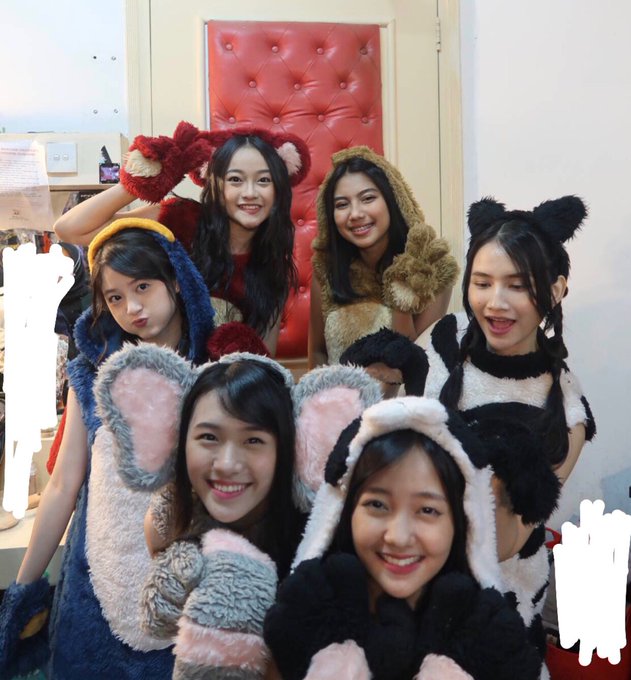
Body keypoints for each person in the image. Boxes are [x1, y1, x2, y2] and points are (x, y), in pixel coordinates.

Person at [0, 217, 216, 679]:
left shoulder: (214, 373)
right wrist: (21, 593)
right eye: (115, 298)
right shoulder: (93, 372)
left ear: (176, 281)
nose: (132, 307)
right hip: (96, 584)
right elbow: (63, 485)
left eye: (143, 287)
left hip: (189, 587)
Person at [89, 343, 381, 678]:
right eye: (209, 437)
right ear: (178, 441)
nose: (227, 464)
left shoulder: (324, 549)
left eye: (253, 440)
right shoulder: (165, 526)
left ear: (292, 448)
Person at [264, 396, 540, 680]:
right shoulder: (305, 614)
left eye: (427, 510)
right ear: (344, 511)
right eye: (377, 505)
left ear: (462, 523)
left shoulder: (489, 637)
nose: (398, 537)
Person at [54, 123, 311, 355]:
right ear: (214, 184)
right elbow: (69, 229)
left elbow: (264, 359)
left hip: (214, 388)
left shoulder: (272, 267)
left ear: (278, 189)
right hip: (147, 374)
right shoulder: (180, 219)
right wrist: (139, 183)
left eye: (264, 180)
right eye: (235, 180)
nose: (250, 192)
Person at [308, 145, 458, 369]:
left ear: (393, 200)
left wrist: (401, 297)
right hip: (337, 389)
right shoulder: (326, 269)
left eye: (367, 198)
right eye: (342, 204)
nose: (355, 214)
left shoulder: (432, 267)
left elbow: (416, 362)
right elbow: (317, 352)